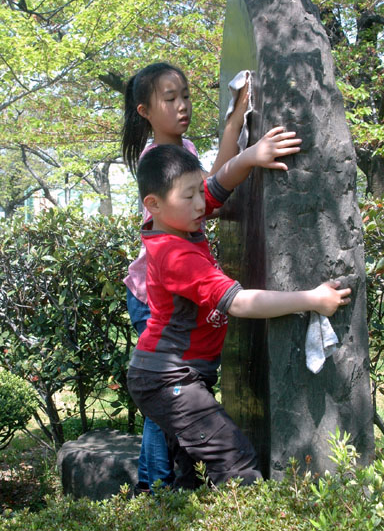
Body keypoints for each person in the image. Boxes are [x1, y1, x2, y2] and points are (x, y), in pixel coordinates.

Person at [127, 132, 352, 490]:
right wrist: (310, 298)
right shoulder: (175, 254)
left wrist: (249, 156)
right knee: (235, 461)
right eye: (190, 196)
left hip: (178, 377)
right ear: (153, 204)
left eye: (198, 192)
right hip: (167, 378)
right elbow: (240, 302)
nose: (202, 204)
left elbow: (217, 186)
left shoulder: (180, 219)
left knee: (194, 473)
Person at [121, 61, 249, 494]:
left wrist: (234, 123)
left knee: (181, 398)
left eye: (186, 96)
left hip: (179, 286)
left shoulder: (184, 149)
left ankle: (181, 485)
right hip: (156, 294)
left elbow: (212, 182)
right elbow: (211, 194)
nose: (182, 107)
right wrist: (245, 152)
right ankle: (155, 488)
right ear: (145, 111)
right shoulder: (157, 159)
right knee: (169, 398)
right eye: (169, 99)